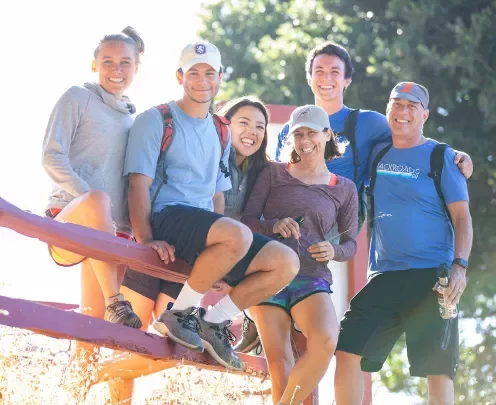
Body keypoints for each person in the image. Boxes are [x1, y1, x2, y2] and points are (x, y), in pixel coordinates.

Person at [236, 40, 474, 354]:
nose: (327, 77)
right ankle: (254, 314)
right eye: (319, 71)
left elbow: (411, 137)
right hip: (292, 218)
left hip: (336, 218)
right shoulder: (293, 126)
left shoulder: (368, 123)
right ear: (309, 78)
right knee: (259, 224)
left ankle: (284, 313)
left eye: (335, 72)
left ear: (347, 80)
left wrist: (456, 155)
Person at [124, 42, 299, 372]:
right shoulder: (156, 119)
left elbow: (218, 196)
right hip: (167, 215)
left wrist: (225, 256)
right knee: (238, 235)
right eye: (193, 73)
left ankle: (213, 321)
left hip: (203, 226)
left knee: (285, 262)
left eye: (209, 73)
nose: (202, 80)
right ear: (180, 76)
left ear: (219, 77)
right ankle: (178, 314)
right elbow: (137, 185)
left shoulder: (220, 130)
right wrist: (145, 239)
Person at [109, 96, 272, 403]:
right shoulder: (197, 144)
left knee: (175, 347)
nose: (252, 131)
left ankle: (102, 374)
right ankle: (109, 387)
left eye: (260, 126)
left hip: (194, 259)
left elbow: (244, 223)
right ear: (224, 125)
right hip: (164, 239)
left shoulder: (258, 175)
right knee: (130, 338)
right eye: (243, 123)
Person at [334, 82, 472, 405]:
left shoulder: (442, 156)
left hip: (433, 278)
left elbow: (463, 219)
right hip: (384, 275)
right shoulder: (378, 153)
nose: (403, 112)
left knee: (438, 370)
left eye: (412, 106)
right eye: (397, 104)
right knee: (347, 348)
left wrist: (460, 267)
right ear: (388, 111)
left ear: (424, 114)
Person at [41, 26, 145, 401]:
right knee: (99, 200)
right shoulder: (77, 98)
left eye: (125, 62)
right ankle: (117, 301)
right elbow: (51, 157)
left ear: (137, 66)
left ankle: (76, 395)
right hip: (71, 218)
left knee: (93, 328)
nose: (116, 69)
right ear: (94, 64)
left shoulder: (134, 120)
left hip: (111, 236)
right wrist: (91, 200)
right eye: (107, 62)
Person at [241, 105, 358, 405]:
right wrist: (273, 225)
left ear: (327, 135)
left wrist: (334, 250)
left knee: (326, 340)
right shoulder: (273, 173)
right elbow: (246, 222)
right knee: (280, 364)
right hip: (269, 274)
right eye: (298, 135)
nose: (305, 141)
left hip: (312, 278)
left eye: (311, 134)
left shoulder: (344, 189)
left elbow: (350, 244)